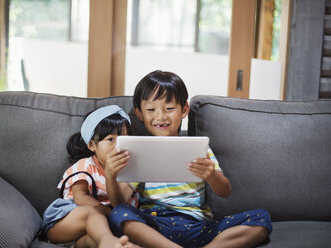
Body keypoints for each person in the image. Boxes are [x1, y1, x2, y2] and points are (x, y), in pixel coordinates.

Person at [107, 70, 273, 248]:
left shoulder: (199, 148)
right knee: (119, 213)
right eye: (150, 109)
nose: (161, 116)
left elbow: (224, 191)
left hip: (198, 227)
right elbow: (119, 202)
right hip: (155, 226)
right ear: (139, 113)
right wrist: (110, 176)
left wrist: (211, 176)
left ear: (184, 109)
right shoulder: (138, 151)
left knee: (260, 218)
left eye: (169, 108)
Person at [40, 105, 138, 248]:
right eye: (110, 139)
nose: (118, 146)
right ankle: (107, 239)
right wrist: (109, 212)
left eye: (124, 139)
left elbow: (123, 202)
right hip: (67, 223)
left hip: (90, 234)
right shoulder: (86, 165)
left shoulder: (130, 171)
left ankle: (112, 243)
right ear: (92, 145)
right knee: (94, 212)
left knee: (97, 240)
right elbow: (80, 197)